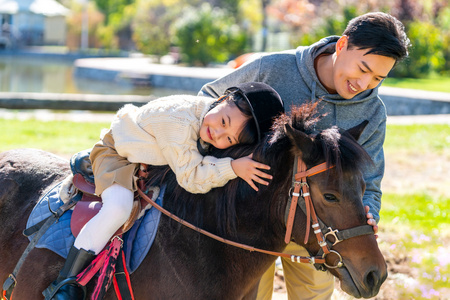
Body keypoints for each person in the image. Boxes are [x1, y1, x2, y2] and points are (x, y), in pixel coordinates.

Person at [199, 12, 410, 300]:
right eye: (363, 69)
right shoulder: (272, 68)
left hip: (316, 225)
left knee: (313, 295)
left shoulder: (372, 113)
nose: (364, 83)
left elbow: (369, 182)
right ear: (341, 45)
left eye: (377, 78)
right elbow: (207, 99)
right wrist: (213, 164)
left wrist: (368, 211)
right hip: (250, 220)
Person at [43, 82, 285, 299]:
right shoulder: (180, 122)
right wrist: (232, 166)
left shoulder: (207, 118)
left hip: (151, 157)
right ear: (223, 99)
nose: (219, 134)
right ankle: (66, 283)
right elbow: (191, 177)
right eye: (224, 122)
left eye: (229, 140)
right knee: (118, 208)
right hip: (116, 154)